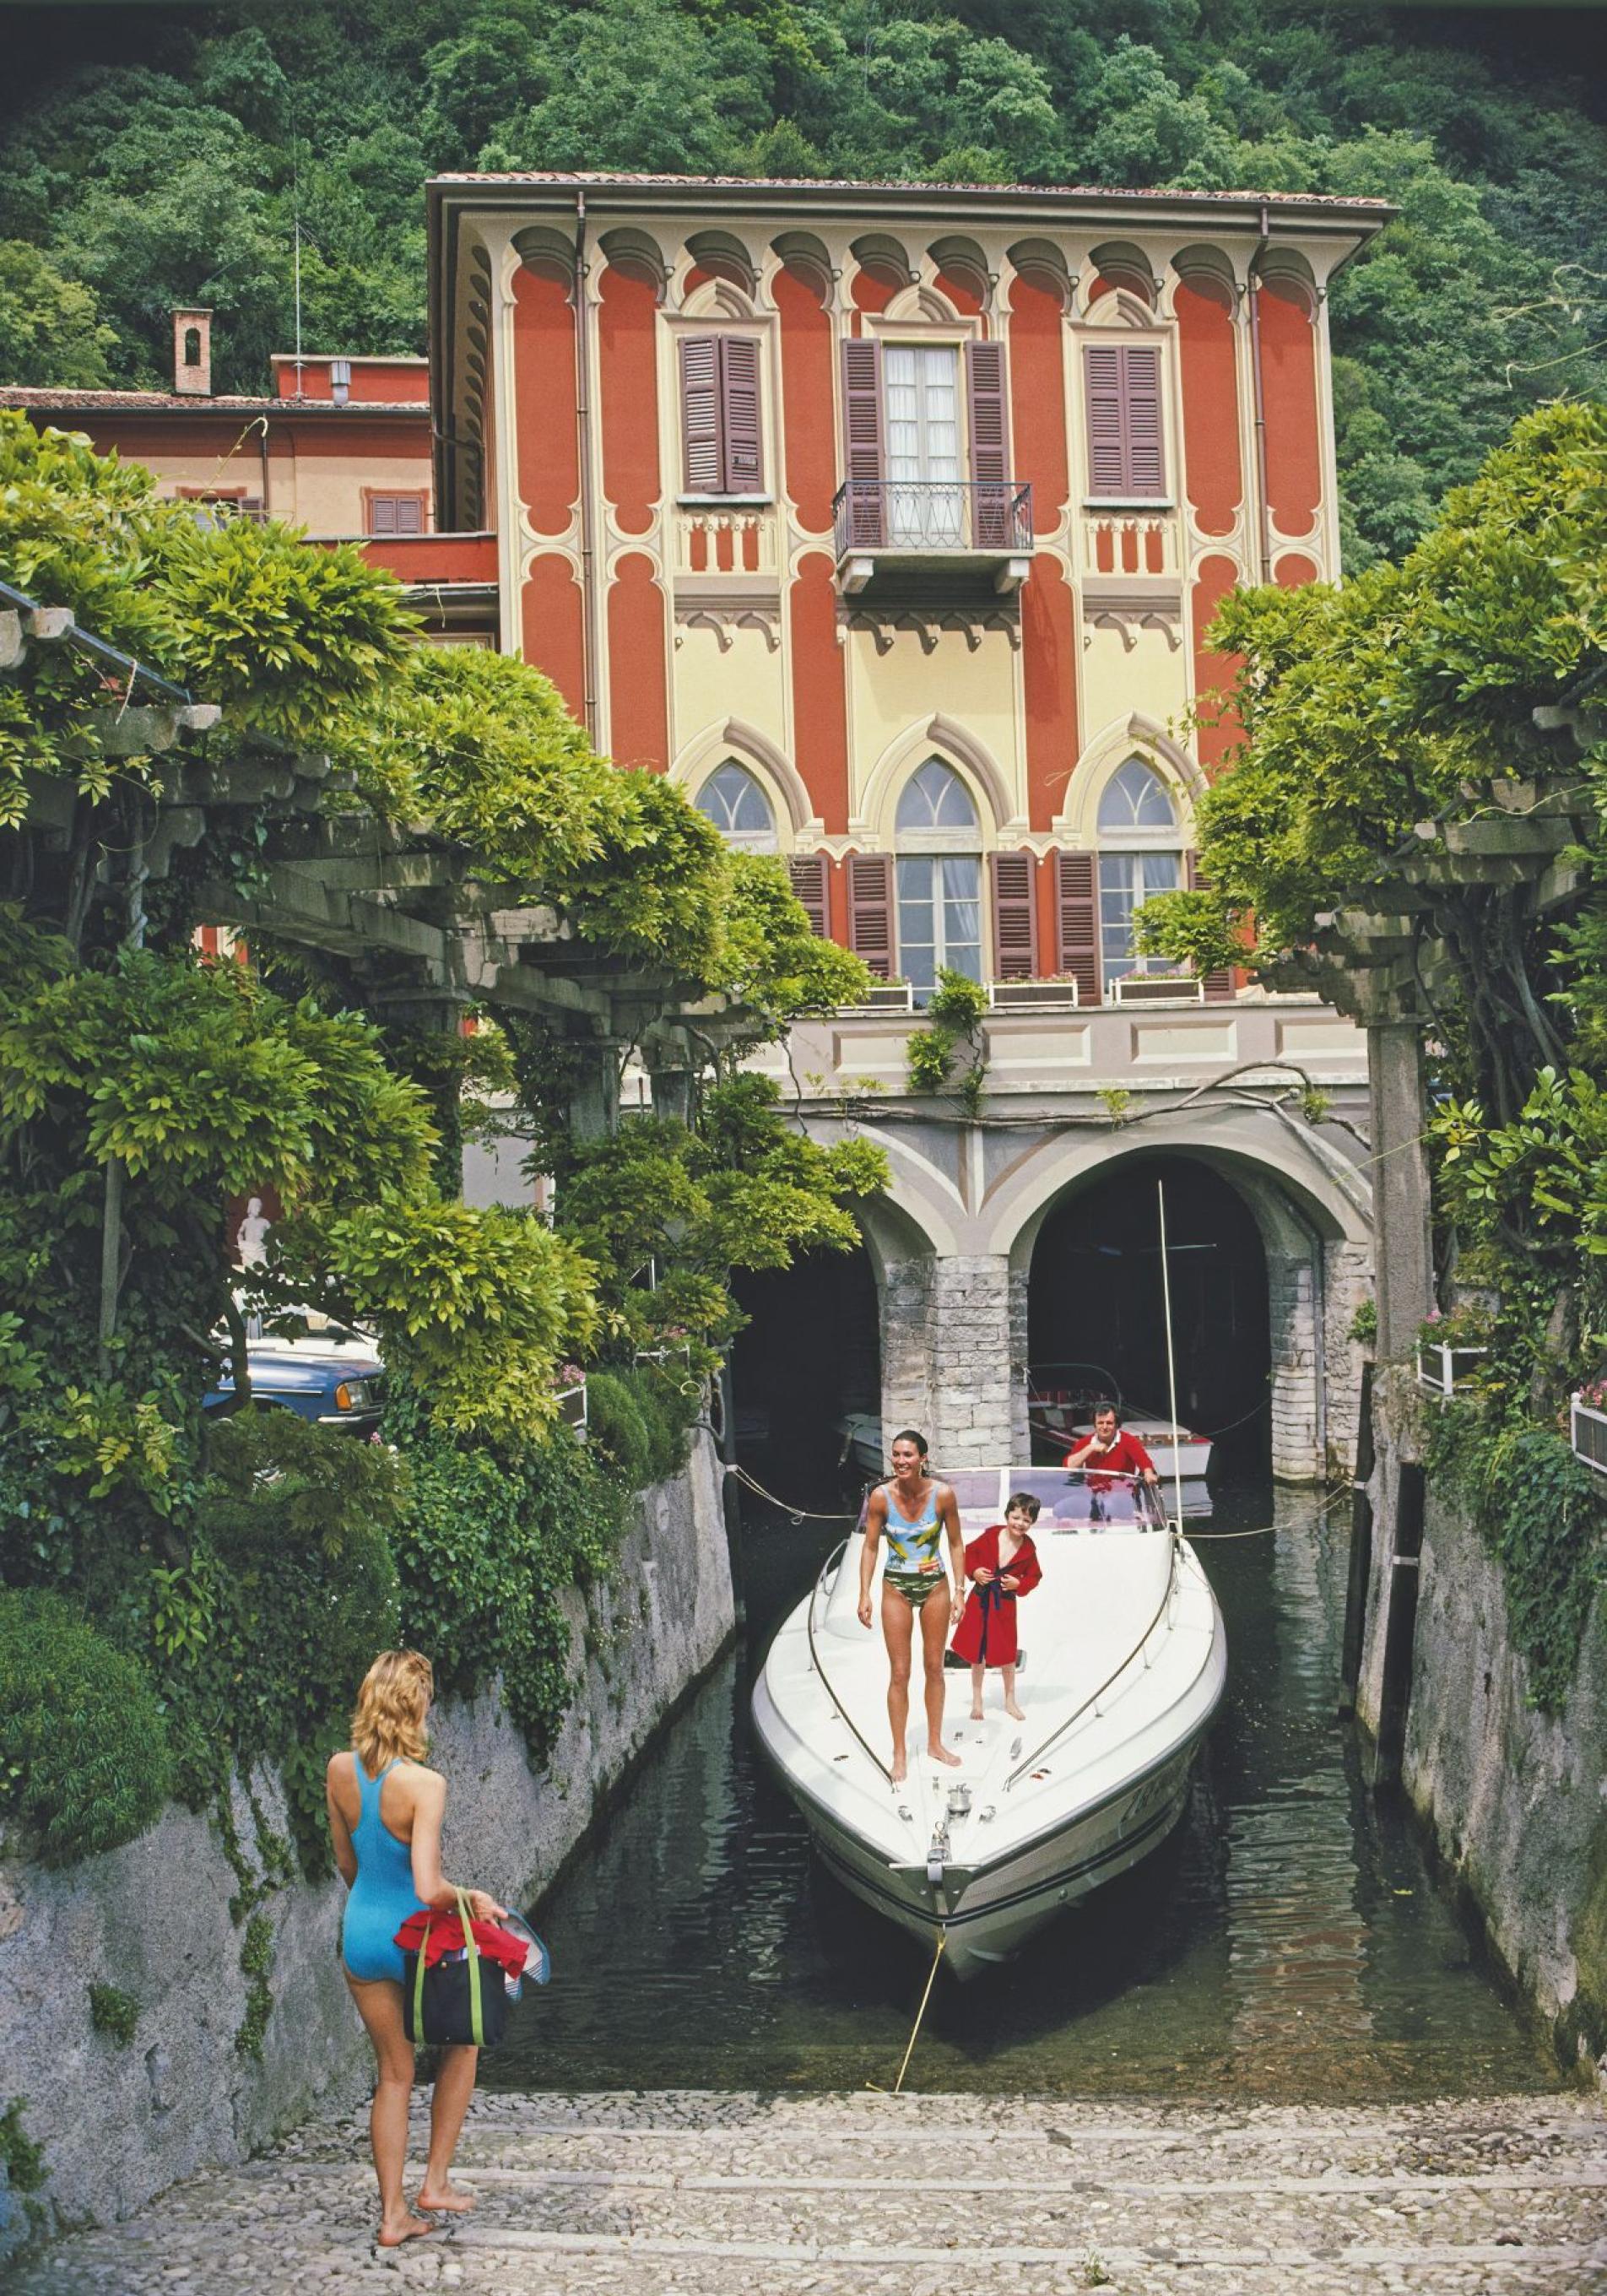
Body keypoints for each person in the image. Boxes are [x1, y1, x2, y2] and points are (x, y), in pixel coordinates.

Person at [326, 1649, 509, 2250]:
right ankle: (434, 2181)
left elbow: (348, 1865)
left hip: (361, 1936)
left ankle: (392, 2216)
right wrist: (474, 1896)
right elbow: (429, 1888)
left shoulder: (338, 1770)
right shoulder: (425, 1784)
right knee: (463, 2044)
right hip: (415, 1942)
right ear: (417, 1704)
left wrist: (377, 1909)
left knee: (393, 2076)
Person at [857, 1429, 966, 1784]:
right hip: (896, 1588)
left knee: (934, 1667)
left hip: (935, 1586)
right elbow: (871, 1546)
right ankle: (900, 1753)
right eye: (896, 1455)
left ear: (923, 1458)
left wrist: (960, 1591)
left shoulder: (943, 1495)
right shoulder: (880, 1498)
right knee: (900, 1673)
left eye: (908, 1455)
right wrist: (864, 1593)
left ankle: (935, 1743)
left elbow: (955, 1544)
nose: (901, 1461)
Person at [950, 1491, 1043, 1722]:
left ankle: (1010, 1700)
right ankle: (977, 1700)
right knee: (977, 1653)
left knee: (1007, 1652)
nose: (1020, 1524)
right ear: (1007, 1515)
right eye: (1016, 1517)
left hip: (1004, 1605)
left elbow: (1035, 1576)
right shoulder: (991, 1536)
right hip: (981, 1600)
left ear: (1032, 1523)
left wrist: (1019, 1583)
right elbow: (968, 1554)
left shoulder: (1028, 1549)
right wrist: (974, 1572)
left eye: (1026, 1521)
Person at [1064, 1400, 1161, 1489]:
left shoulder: (1129, 1440)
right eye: (1100, 1423)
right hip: (1092, 1495)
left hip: (1121, 1495)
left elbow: (1144, 1462)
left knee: (1109, 1504)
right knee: (1063, 1507)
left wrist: (1148, 1473)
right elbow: (1068, 1467)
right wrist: (1090, 1448)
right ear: (1095, 1424)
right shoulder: (1085, 1442)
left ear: (1117, 1424)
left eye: (1109, 1423)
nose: (1104, 1427)